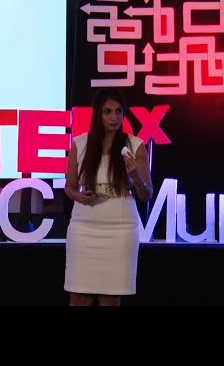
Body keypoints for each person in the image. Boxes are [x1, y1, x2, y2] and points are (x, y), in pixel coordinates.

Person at [63, 87, 153, 306]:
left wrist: (136, 177)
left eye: (119, 111)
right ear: (98, 114)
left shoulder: (135, 146)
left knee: (111, 298)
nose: (114, 117)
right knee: (79, 297)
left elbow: (146, 194)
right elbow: (70, 187)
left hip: (120, 229)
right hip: (84, 228)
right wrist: (78, 197)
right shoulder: (80, 143)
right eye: (107, 111)